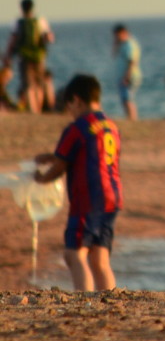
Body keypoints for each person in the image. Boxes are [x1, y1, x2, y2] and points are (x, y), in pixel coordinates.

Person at [33, 73, 123, 291]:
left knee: (74, 253)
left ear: (76, 100)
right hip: (113, 197)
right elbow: (90, 154)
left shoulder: (77, 128)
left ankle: (84, 302)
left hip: (88, 199)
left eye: (69, 106)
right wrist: (51, 156)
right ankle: (109, 301)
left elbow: (62, 166)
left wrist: (42, 178)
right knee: (100, 257)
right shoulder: (111, 126)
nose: (70, 113)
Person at [3, 0, 55, 114]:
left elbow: (13, 40)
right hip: (39, 56)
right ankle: (40, 107)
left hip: (24, 57)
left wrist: (8, 56)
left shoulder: (18, 22)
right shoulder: (40, 21)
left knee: (28, 84)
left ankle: (33, 110)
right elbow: (49, 37)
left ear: (21, 8)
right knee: (39, 83)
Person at [111, 24, 142, 120]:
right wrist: (116, 44)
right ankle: (130, 118)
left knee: (127, 99)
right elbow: (113, 55)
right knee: (125, 99)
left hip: (129, 75)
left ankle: (132, 119)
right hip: (124, 75)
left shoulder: (129, 44)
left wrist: (127, 76)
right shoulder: (123, 44)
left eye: (118, 35)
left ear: (124, 33)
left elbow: (132, 61)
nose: (116, 37)